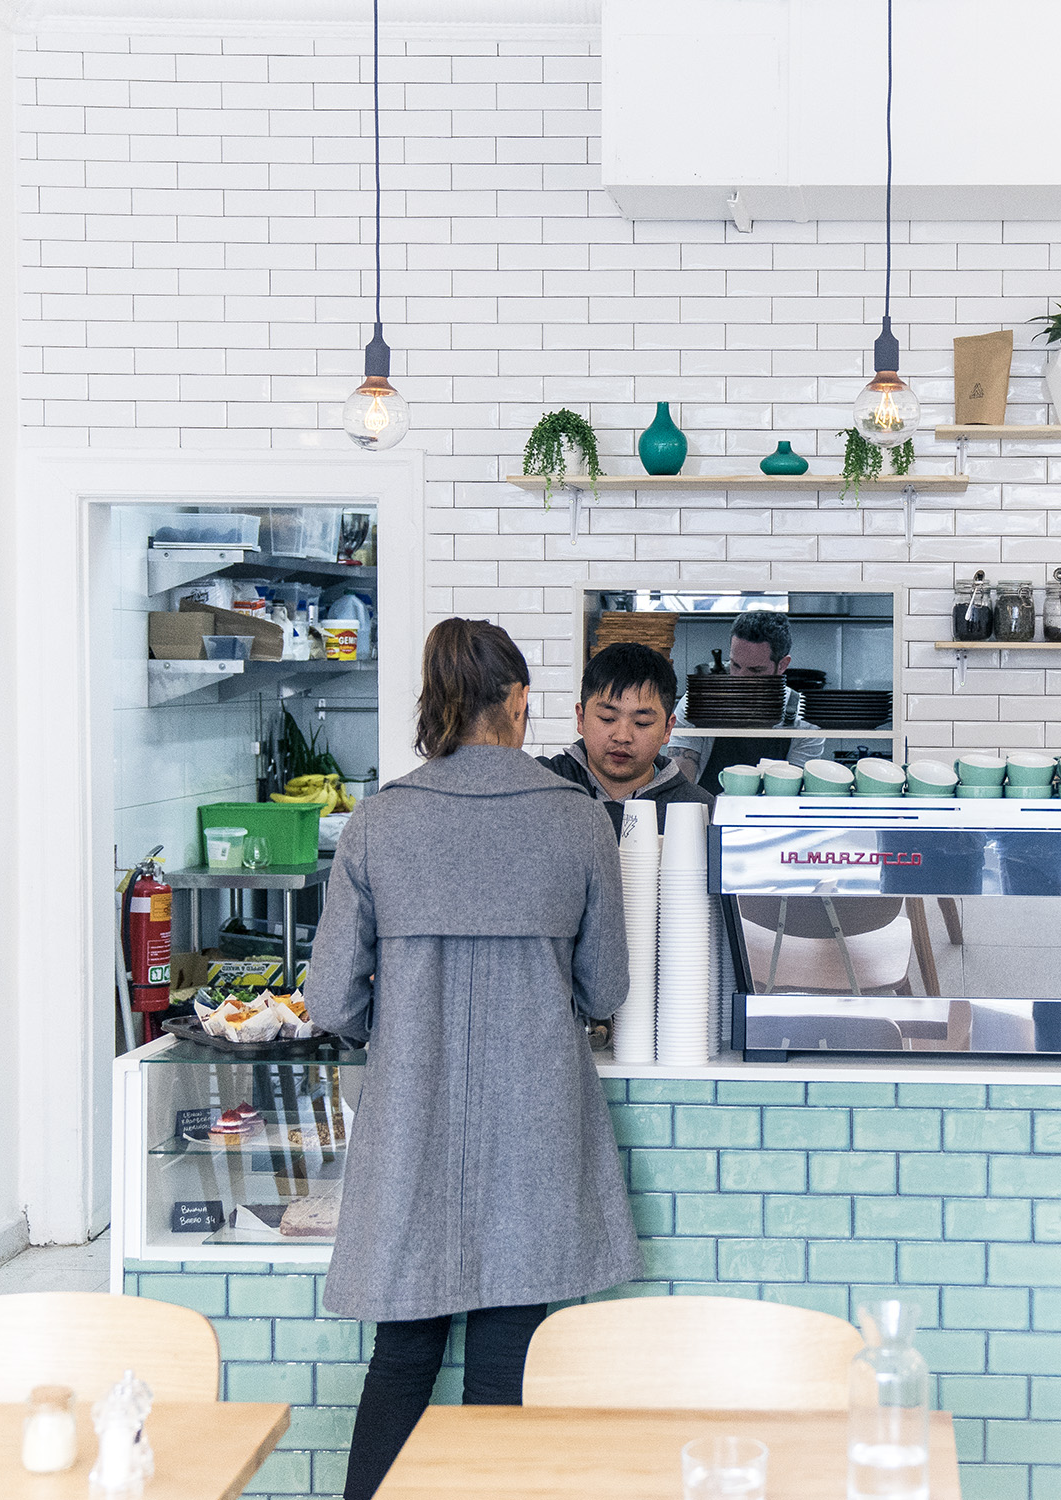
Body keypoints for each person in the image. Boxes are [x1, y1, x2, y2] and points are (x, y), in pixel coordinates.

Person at [305, 617, 638, 1500]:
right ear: (521, 701)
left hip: (411, 1121)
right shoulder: (579, 823)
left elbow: (333, 1000)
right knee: (505, 1371)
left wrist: (409, 1012)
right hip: (535, 1125)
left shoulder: (377, 825)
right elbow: (605, 990)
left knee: (402, 1360)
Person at [537, 642, 712, 835]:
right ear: (581, 719)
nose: (622, 737)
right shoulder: (537, 787)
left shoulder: (699, 811)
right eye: (607, 718)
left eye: (642, 722)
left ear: (667, 729)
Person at [665, 607, 829, 793]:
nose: (741, 679)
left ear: (783, 665)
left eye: (755, 671)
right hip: (706, 816)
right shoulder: (697, 705)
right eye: (735, 665)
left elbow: (794, 794)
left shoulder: (803, 716)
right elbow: (680, 785)